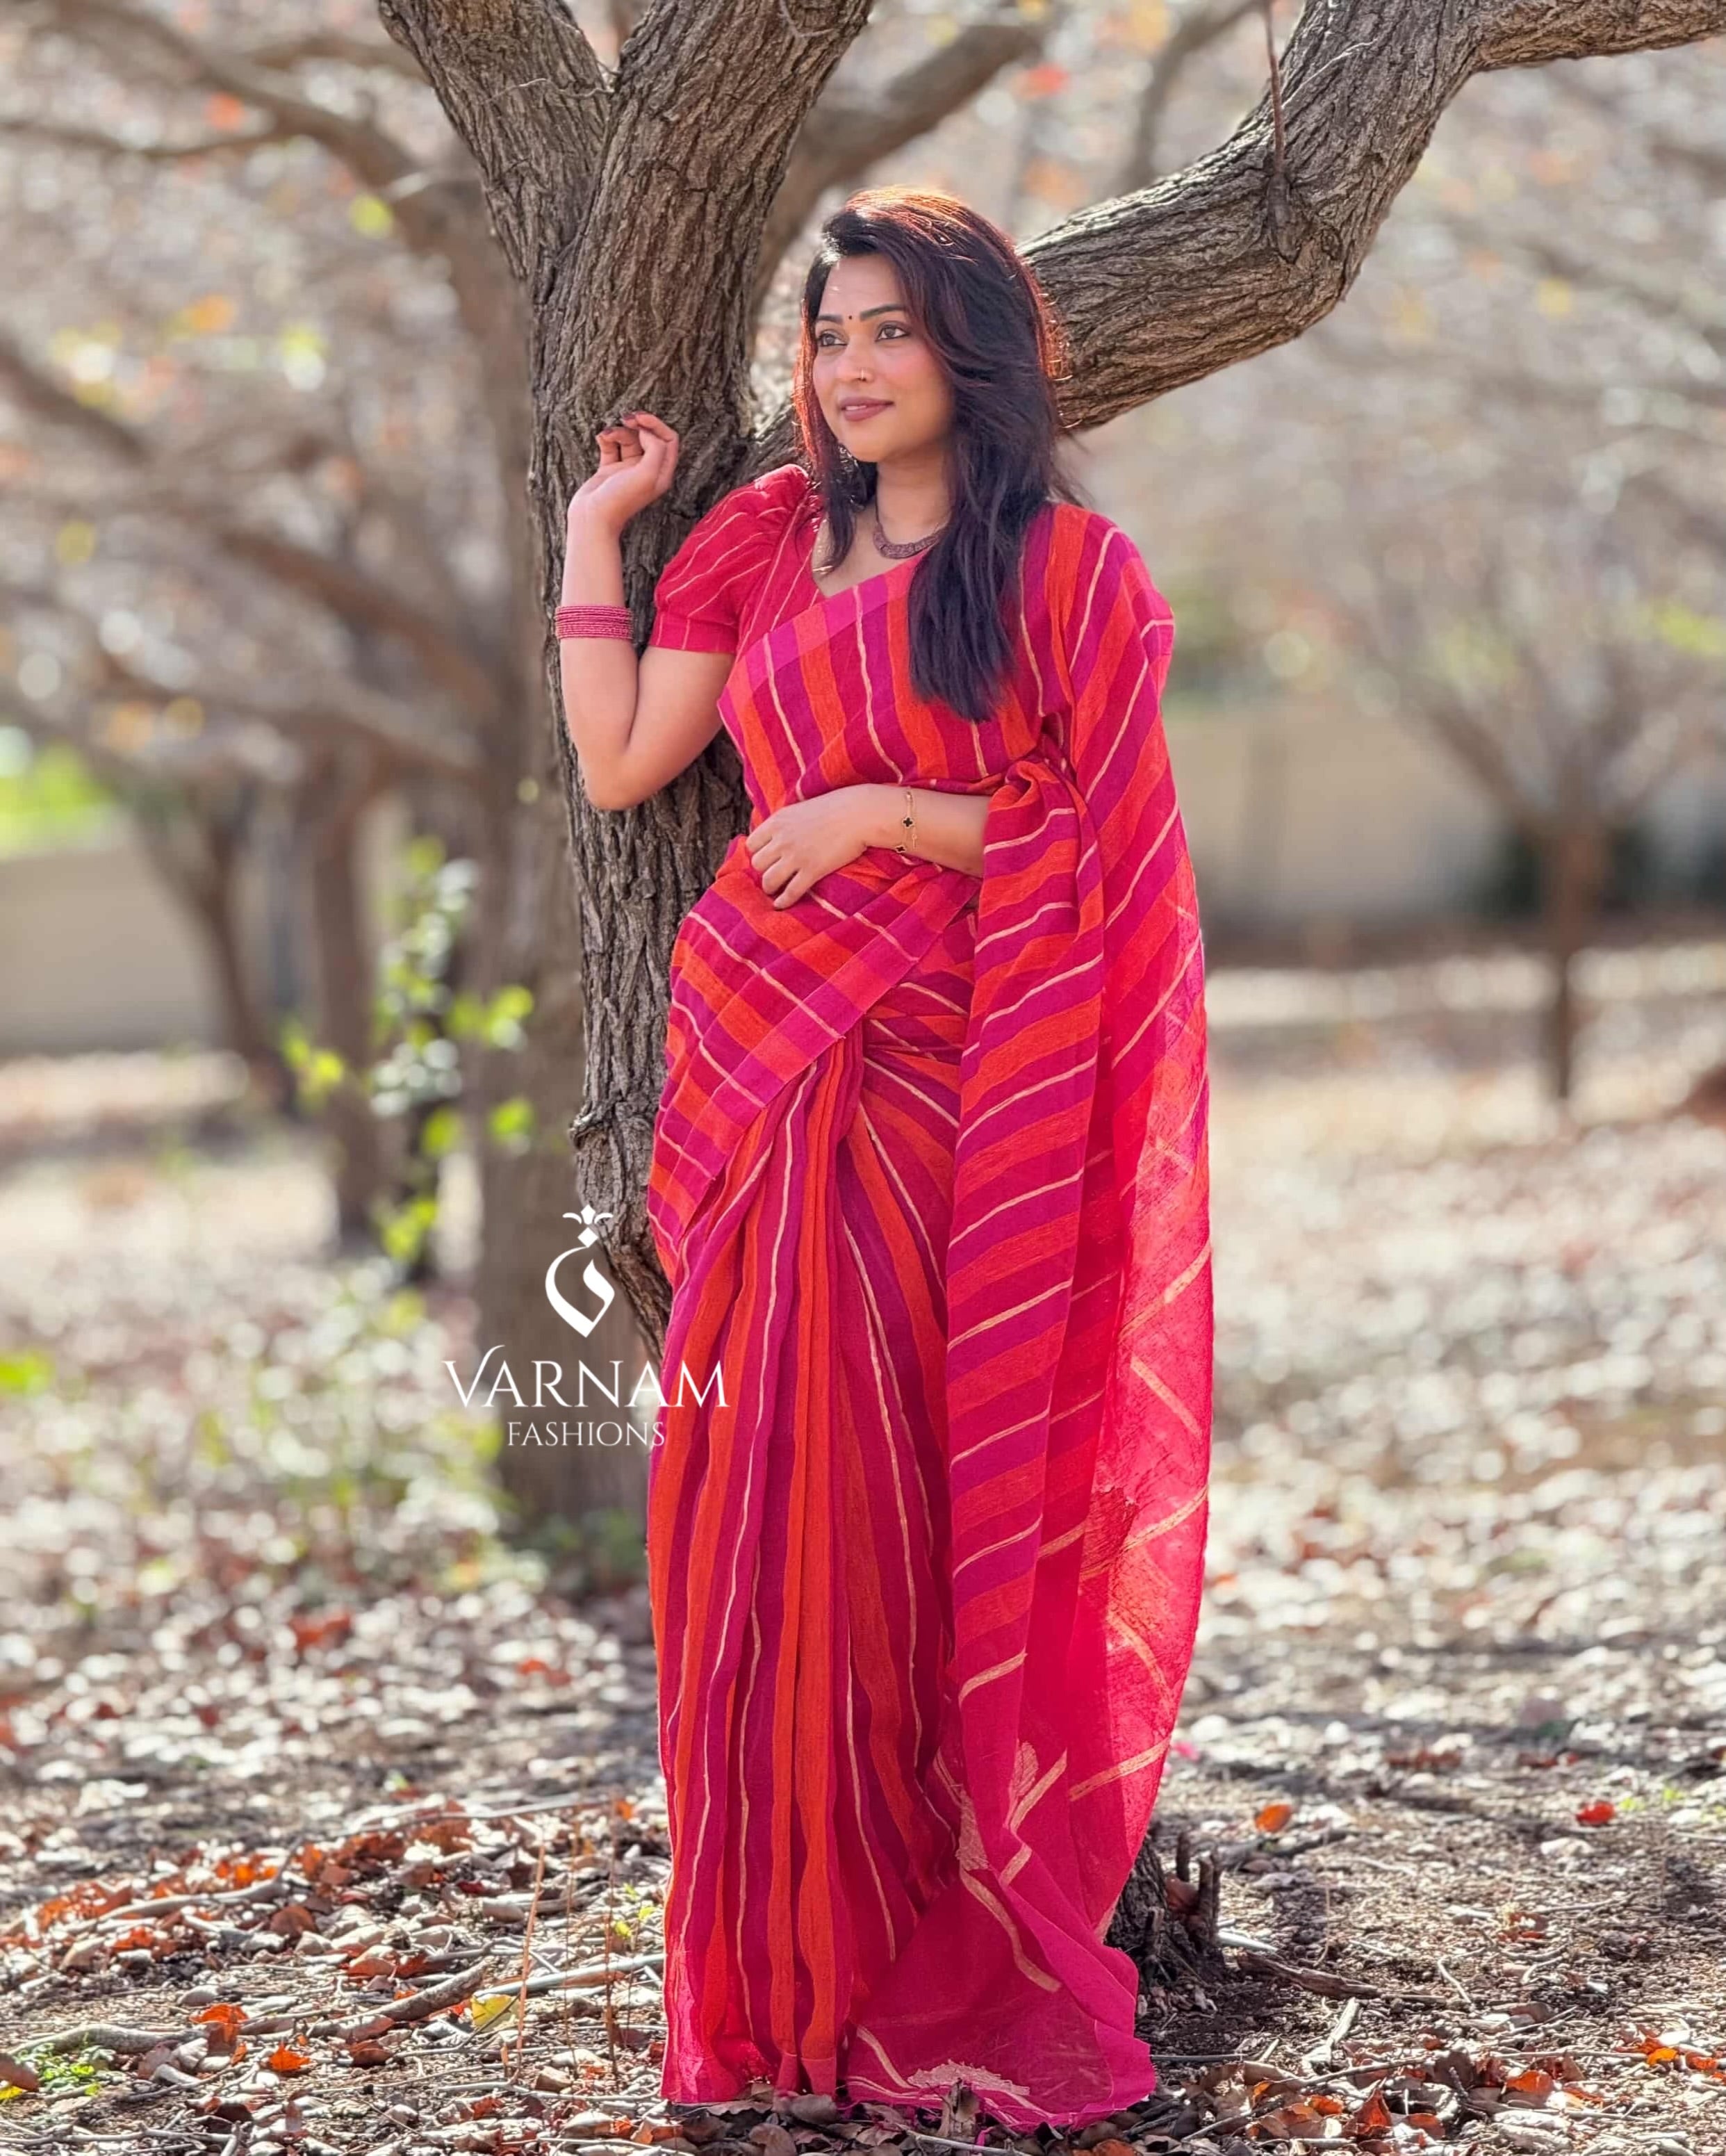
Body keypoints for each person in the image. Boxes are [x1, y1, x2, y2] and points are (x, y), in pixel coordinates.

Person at [557, 185, 1213, 2135]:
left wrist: (881, 814)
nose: (846, 369)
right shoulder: (760, 549)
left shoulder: (1066, 575)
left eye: (887, 334)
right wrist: (595, 536)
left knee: (921, 1523)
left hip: (958, 1104)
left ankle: (933, 1940)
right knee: (754, 1525)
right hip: (762, 1101)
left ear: (973, 352)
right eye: (828, 335)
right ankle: (778, 1974)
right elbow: (619, 764)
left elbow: (1104, 856)